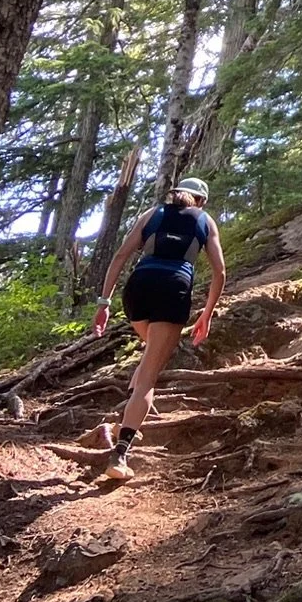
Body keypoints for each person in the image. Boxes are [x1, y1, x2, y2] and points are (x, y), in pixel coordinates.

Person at [88, 176, 226, 481]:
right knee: (149, 376)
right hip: (173, 289)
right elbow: (220, 271)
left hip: (138, 288)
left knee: (150, 353)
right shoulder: (205, 220)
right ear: (200, 200)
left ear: (175, 195)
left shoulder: (151, 214)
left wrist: (104, 302)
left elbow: (121, 255)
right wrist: (207, 314)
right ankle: (120, 453)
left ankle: (127, 419)